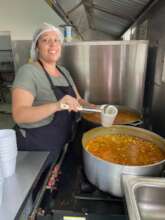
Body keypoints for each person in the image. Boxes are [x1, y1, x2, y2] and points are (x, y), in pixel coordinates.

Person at [12, 22, 90, 158]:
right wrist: (57, 105)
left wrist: (97, 109)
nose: (53, 45)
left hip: (61, 141)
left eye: (56, 40)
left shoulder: (64, 71)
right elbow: (19, 115)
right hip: (36, 148)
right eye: (46, 40)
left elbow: (78, 101)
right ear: (37, 46)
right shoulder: (28, 71)